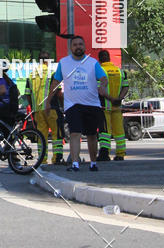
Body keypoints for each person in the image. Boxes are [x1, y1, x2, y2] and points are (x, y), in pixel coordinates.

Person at [48, 36, 108, 172]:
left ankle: (93, 162)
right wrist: (47, 101)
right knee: (75, 133)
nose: (78, 47)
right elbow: (55, 83)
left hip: (92, 104)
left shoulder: (92, 63)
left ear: (85, 46)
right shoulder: (63, 63)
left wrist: (103, 86)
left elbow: (103, 78)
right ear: (71, 47)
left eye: (80, 44)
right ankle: (75, 164)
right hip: (72, 105)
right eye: (75, 44)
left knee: (92, 135)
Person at [25, 52, 64, 164]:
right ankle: (57, 158)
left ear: (39, 61)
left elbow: (27, 94)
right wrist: (63, 106)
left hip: (38, 111)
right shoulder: (52, 74)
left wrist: (33, 107)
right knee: (57, 134)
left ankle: (42, 159)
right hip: (52, 109)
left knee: (41, 136)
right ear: (48, 61)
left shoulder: (31, 75)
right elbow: (59, 93)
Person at [97, 50, 128, 161]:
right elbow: (126, 87)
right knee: (119, 131)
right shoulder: (120, 71)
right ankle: (120, 154)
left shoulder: (99, 71)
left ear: (99, 59)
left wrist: (111, 99)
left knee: (105, 132)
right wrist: (119, 99)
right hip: (117, 107)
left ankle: (105, 154)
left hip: (104, 107)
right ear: (109, 58)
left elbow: (99, 90)